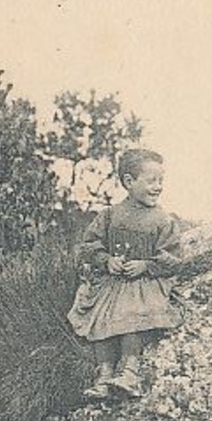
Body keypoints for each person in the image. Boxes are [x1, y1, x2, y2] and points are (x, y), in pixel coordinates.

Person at [67, 148, 186, 399]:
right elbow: (89, 246)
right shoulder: (109, 215)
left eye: (161, 181)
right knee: (100, 318)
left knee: (131, 316)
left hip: (144, 284)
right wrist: (106, 260)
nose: (158, 187)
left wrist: (146, 265)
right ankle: (104, 374)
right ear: (129, 182)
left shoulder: (163, 221)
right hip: (112, 283)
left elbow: (174, 258)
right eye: (151, 180)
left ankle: (130, 372)